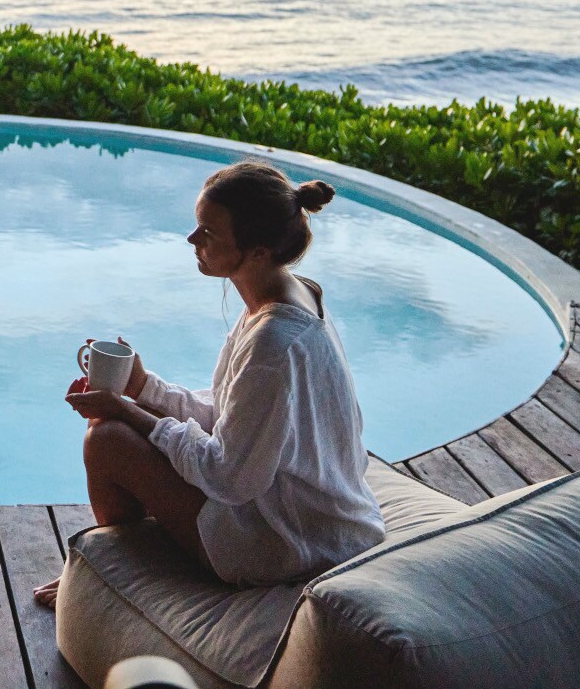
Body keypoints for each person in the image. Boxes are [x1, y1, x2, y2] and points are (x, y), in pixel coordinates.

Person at [34, 159, 383, 606]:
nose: (192, 239)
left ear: (257, 250)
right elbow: (232, 413)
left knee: (105, 438)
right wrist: (144, 389)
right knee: (123, 419)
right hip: (315, 515)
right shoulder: (292, 292)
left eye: (209, 232)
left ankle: (100, 575)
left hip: (291, 544)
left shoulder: (273, 341)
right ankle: (109, 565)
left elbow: (229, 477)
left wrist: (129, 411)